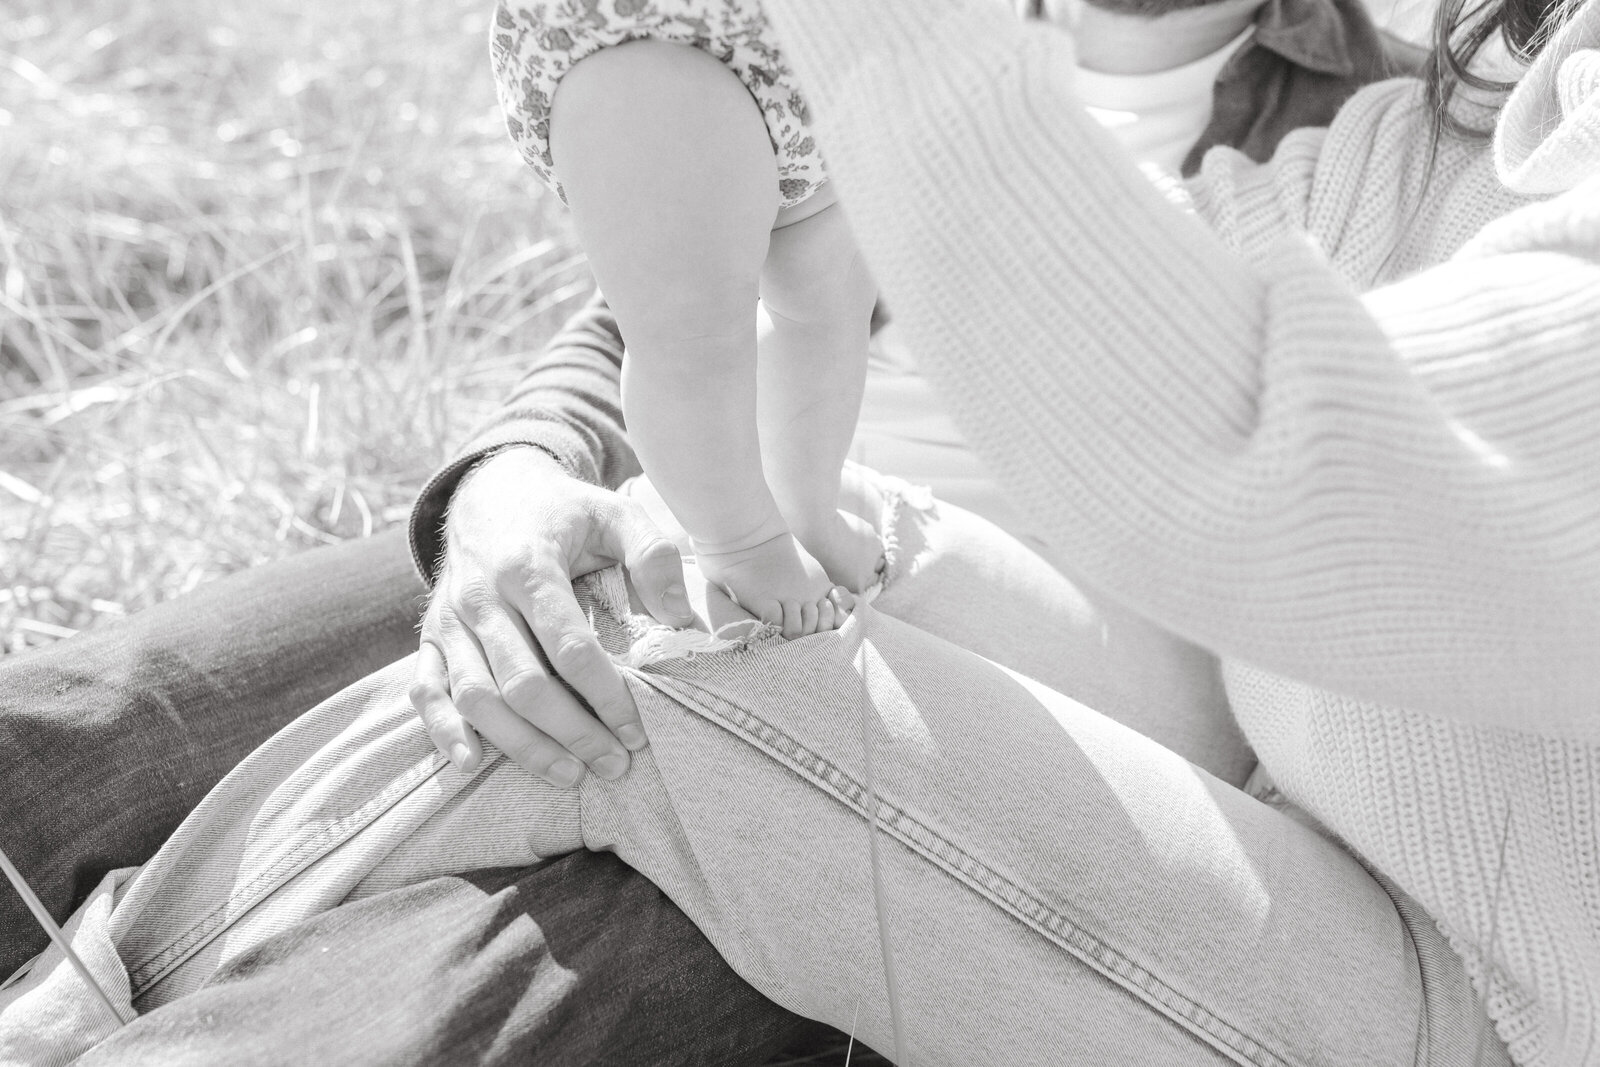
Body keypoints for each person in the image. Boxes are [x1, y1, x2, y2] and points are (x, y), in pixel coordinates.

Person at [2, 0, 1524, 1063]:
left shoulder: (1376, 141)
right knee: (96, 722)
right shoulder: (888, 31)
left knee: (432, 998)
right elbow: (659, 296)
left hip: (950, 683)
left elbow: (1288, 578)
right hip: (662, 498)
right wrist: (515, 475)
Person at [490, 1, 882, 636]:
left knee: (830, 304)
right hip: (660, 32)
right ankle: (742, 542)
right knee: (691, 335)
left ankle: (807, 503)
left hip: (824, 46)